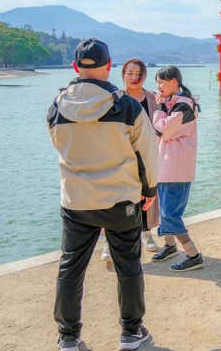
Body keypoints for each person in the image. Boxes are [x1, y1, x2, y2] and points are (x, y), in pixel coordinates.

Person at [47, 38, 157, 350]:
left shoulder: (57, 106)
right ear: (110, 66)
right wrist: (148, 190)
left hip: (76, 199)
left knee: (71, 267)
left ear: (74, 67)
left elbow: (58, 144)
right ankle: (131, 333)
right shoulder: (127, 106)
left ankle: (68, 337)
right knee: (128, 265)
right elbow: (148, 153)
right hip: (120, 197)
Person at [150, 66, 204, 272]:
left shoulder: (183, 107)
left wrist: (158, 109)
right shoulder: (173, 104)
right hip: (166, 166)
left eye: (161, 83)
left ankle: (193, 255)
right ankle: (170, 246)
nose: (159, 88)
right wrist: (163, 108)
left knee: (171, 214)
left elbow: (162, 130)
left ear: (174, 82)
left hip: (177, 169)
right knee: (165, 210)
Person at [122, 58, 161, 252]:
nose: (134, 78)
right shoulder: (116, 98)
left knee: (148, 194)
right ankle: (110, 242)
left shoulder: (152, 98)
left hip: (146, 156)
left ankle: (147, 234)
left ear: (144, 76)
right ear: (123, 75)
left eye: (138, 74)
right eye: (130, 73)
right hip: (121, 158)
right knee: (120, 199)